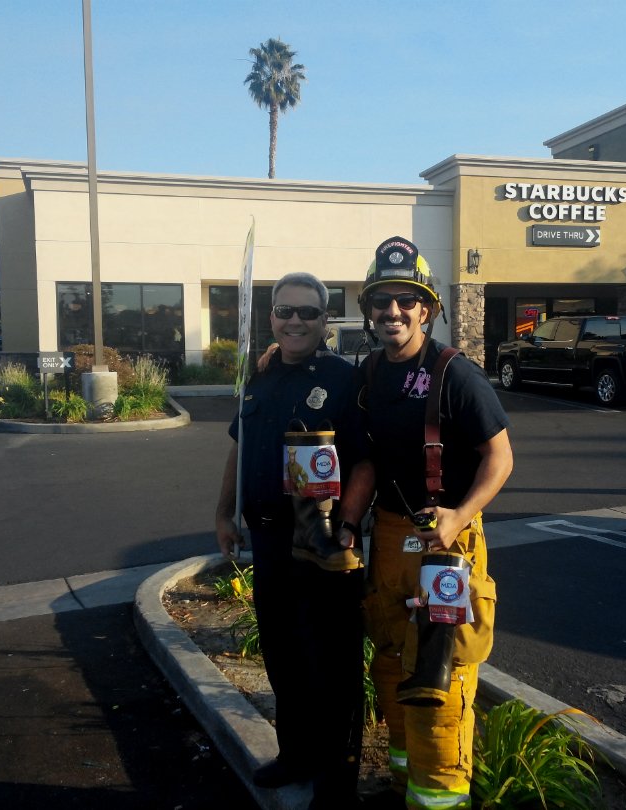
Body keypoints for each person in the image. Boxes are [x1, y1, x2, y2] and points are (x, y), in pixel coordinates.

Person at [358, 237, 513, 810]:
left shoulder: (456, 375)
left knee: (439, 682)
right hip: (391, 539)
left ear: (427, 309)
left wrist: (458, 517)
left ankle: (440, 800)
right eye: (381, 301)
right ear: (368, 310)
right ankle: (404, 784)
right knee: (393, 669)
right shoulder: (369, 372)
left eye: (406, 300)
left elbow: (501, 458)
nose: (392, 311)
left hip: (446, 546)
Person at [215, 271, 374, 809]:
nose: (295, 320)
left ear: (326, 320)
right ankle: (295, 755)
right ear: (272, 317)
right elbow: (240, 447)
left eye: (307, 312)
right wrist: (223, 512)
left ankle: (335, 781)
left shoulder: (343, 379)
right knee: (283, 655)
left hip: (321, 546)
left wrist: (346, 528)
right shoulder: (257, 378)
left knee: (330, 664)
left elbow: (366, 462)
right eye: (286, 311)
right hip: (266, 541)